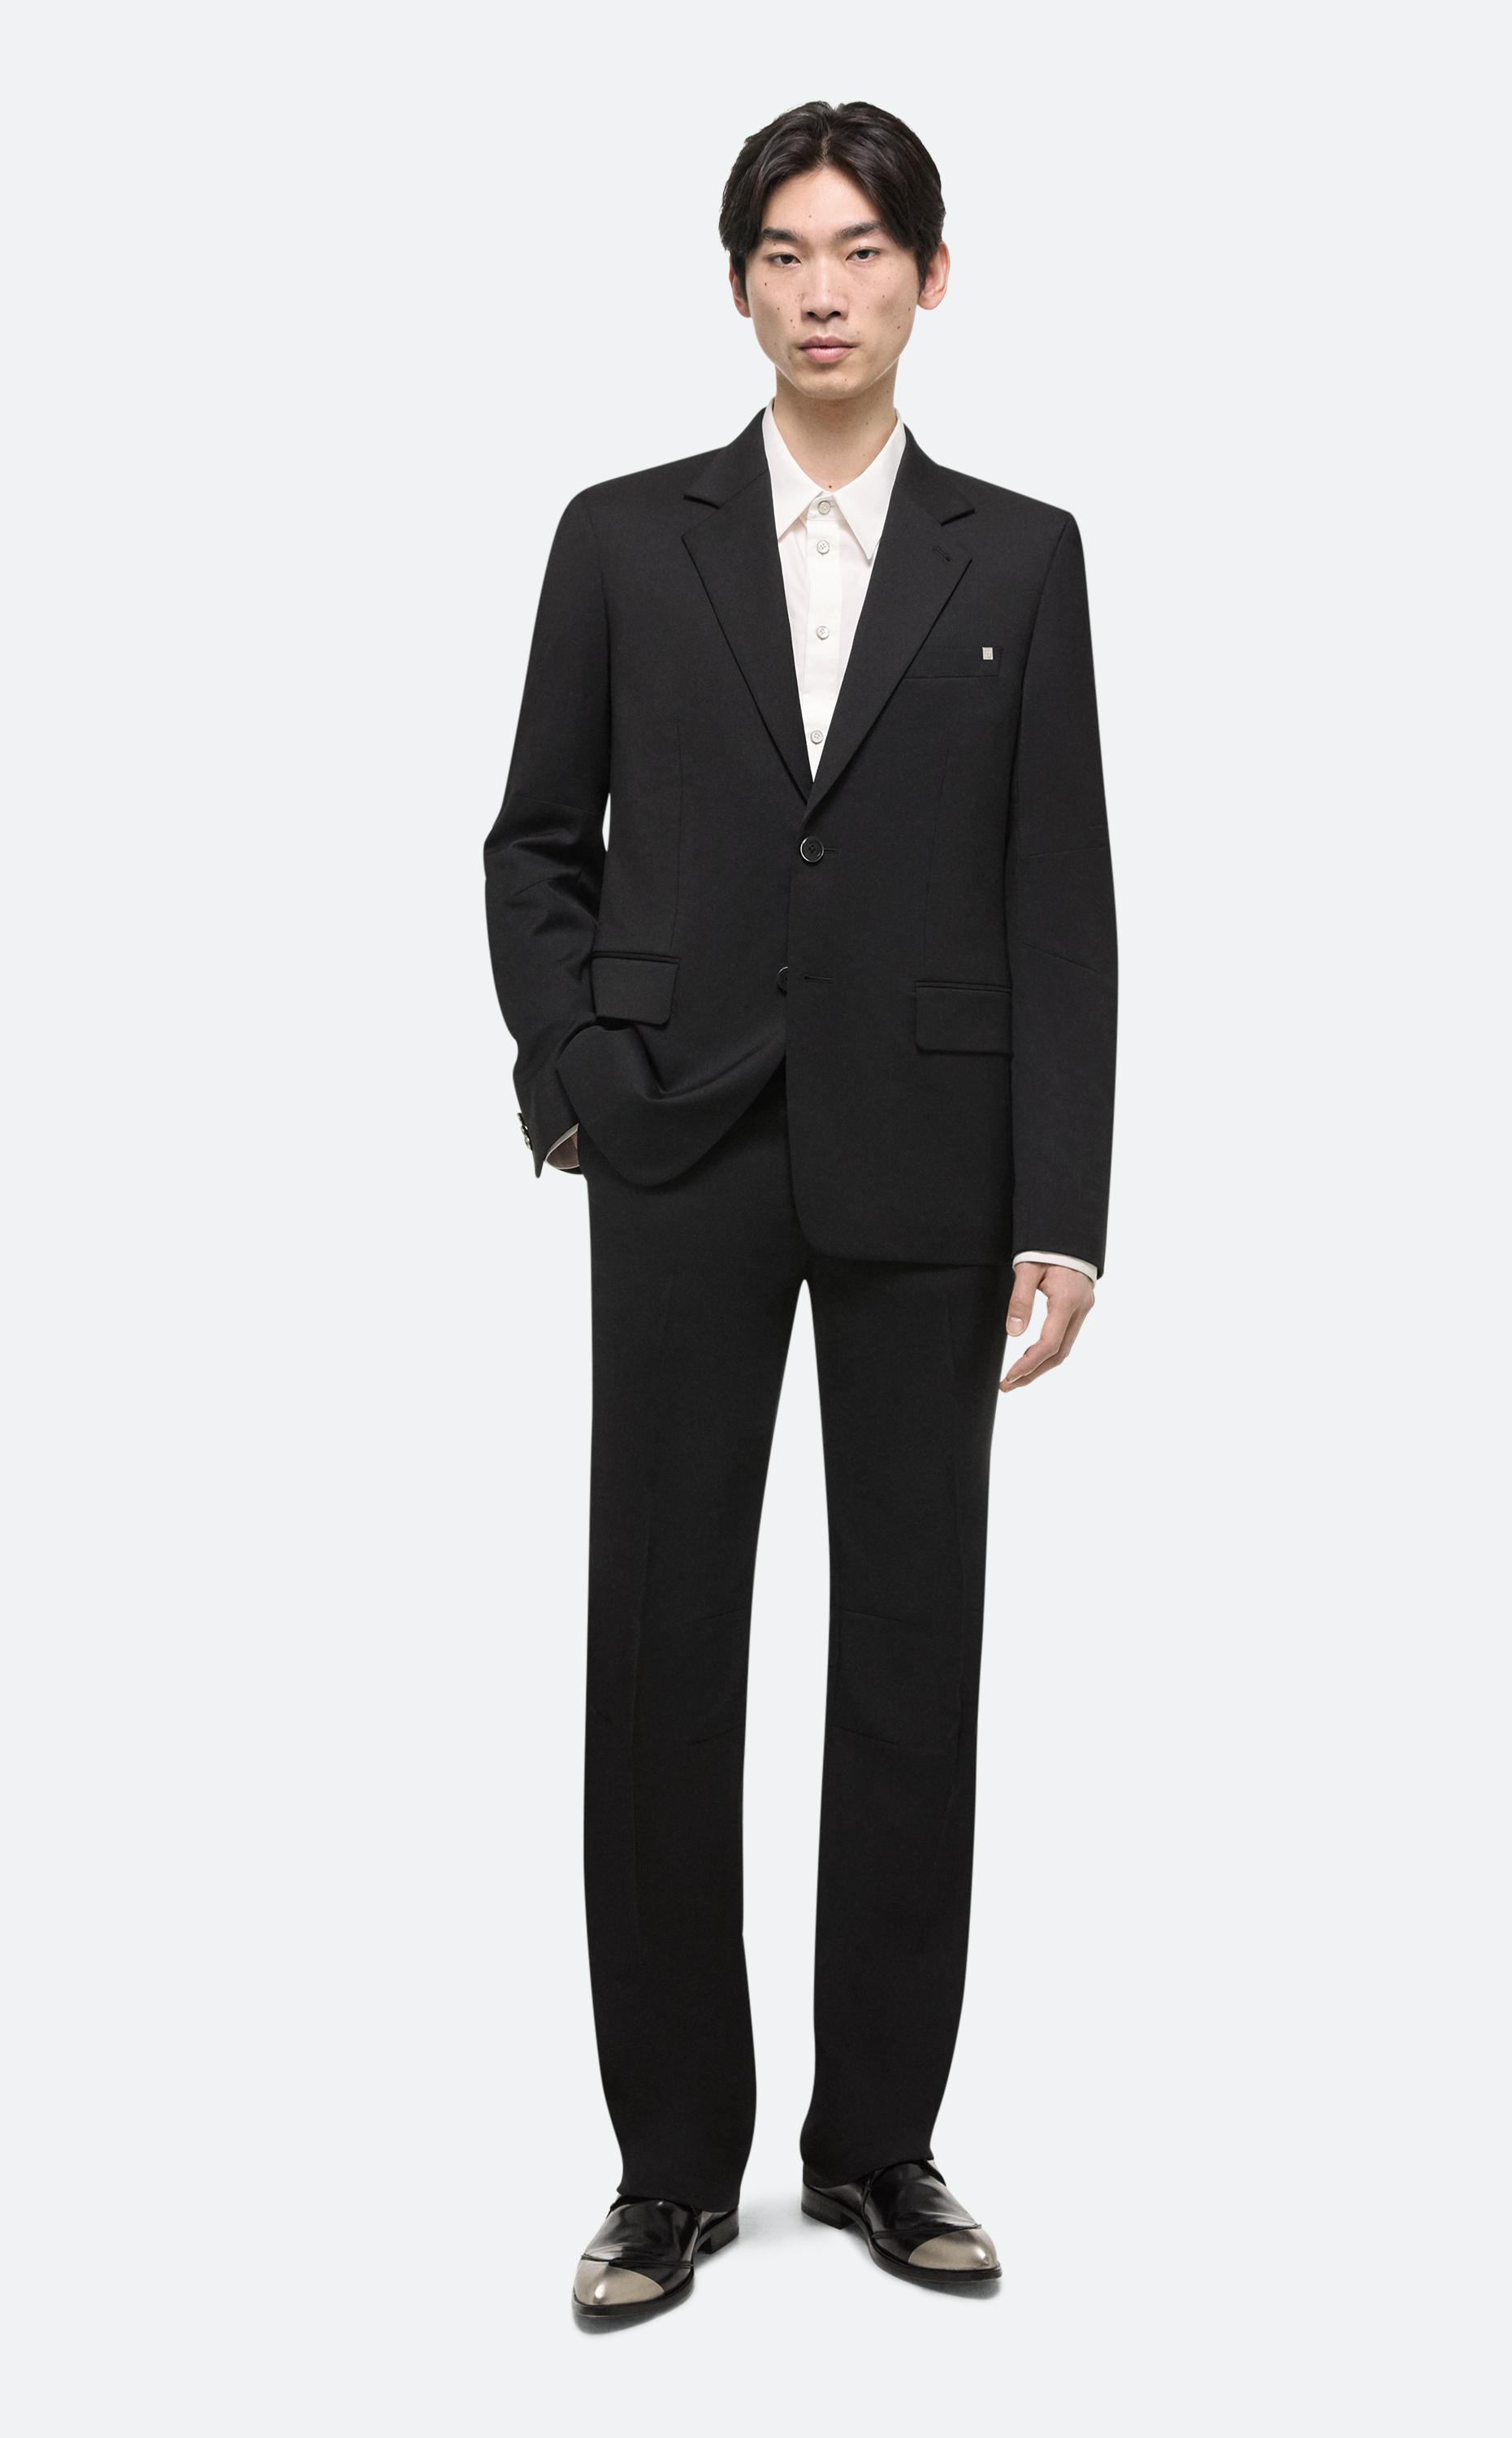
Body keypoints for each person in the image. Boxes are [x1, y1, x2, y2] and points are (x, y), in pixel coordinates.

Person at [482, 98, 1117, 2325]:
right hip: (677, 1148)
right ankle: (669, 2167)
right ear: (740, 282)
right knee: (661, 1645)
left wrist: (1065, 1207)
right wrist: (580, 1081)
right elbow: (533, 842)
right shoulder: (621, 539)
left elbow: (1060, 896)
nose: (822, 289)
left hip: (935, 1166)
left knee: (912, 1658)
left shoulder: (1018, 559)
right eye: (784, 252)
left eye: (861, 250)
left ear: (930, 278)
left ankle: (878, 2146)